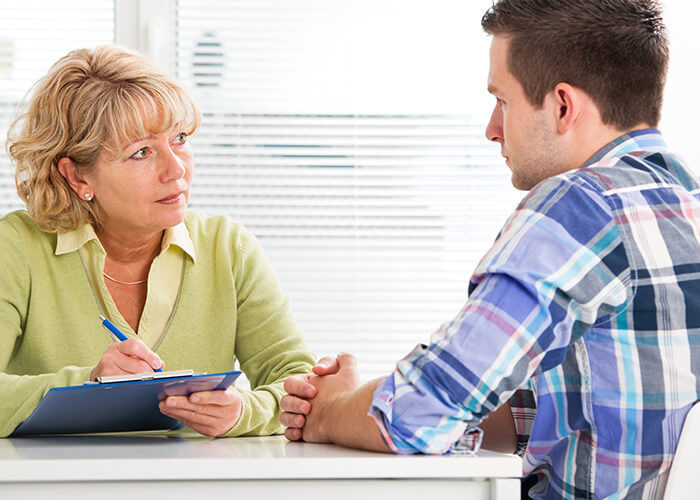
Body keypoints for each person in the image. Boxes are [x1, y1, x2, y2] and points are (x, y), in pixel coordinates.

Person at [280, 1, 700, 498]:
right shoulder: (684, 200)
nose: (492, 128)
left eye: (502, 100)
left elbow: (417, 414)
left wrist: (329, 411)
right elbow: (590, 406)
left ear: (563, 106)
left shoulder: (579, 207)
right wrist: (359, 403)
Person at [0, 44, 315, 438]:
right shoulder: (15, 247)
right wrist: (89, 383)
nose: (176, 168)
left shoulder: (228, 247)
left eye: (180, 137)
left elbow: (299, 382)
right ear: (79, 178)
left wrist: (242, 413)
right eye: (142, 152)